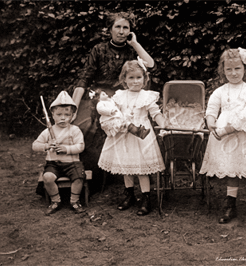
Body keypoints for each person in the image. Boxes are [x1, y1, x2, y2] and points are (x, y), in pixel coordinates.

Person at [71, 12, 155, 193]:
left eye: (126, 28)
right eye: (118, 27)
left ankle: (134, 175)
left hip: (126, 98)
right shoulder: (98, 50)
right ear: (110, 29)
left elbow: (149, 64)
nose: (122, 31)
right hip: (101, 98)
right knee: (85, 129)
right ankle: (90, 180)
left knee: (136, 127)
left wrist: (134, 43)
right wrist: (73, 107)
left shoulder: (133, 50)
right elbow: (84, 79)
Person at [200, 48, 246, 224]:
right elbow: (211, 109)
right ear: (223, 70)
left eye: (237, 69)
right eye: (229, 69)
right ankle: (230, 205)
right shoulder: (220, 91)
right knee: (232, 169)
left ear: (245, 69)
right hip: (226, 135)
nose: (233, 73)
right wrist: (211, 121)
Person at [98, 59, 165, 216]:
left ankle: (146, 197)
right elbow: (112, 111)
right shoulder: (120, 96)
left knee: (142, 169)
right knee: (126, 168)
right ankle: (129, 195)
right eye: (131, 78)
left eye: (138, 78)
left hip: (142, 136)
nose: (135, 82)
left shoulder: (147, 96)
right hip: (124, 134)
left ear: (144, 78)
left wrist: (163, 125)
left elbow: (156, 113)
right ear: (124, 80)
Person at [32, 91, 85, 215]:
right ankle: (55, 201)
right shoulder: (47, 131)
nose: (62, 118)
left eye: (67, 115)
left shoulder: (75, 130)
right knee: (48, 177)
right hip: (53, 163)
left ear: (72, 116)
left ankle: (74, 201)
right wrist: (46, 145)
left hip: (72, 163)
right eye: (59, 114)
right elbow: (35, 145)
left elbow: (80, 146)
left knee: (79, 177)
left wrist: (66, 149)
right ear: (52, 115)